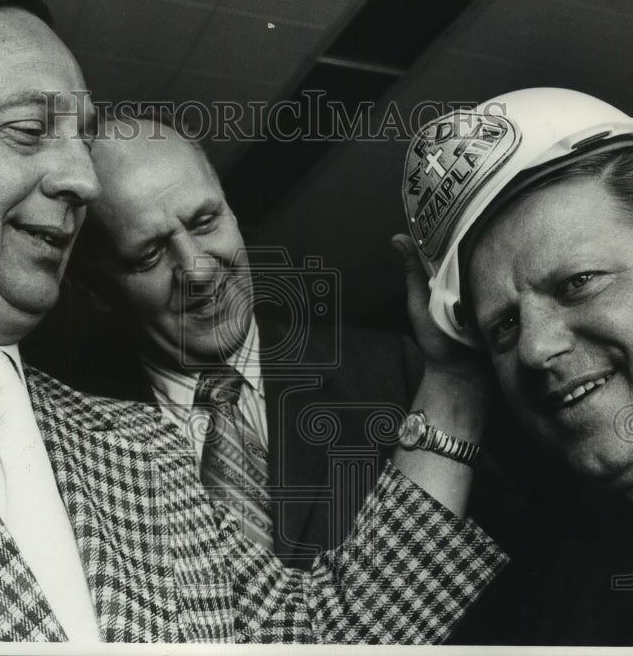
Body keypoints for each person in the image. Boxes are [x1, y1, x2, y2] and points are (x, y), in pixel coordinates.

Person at [0, 0, 506, 643]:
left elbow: (320, 636)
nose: (83, 182)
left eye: (80, 139)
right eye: (29, 131)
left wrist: (452, 379)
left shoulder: (137, 447)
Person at [394, 87, 633, 646]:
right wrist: (451, 379)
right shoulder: (548, 577)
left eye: (577, 284)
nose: (534, 350)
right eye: (502, 327)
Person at [46, 113, 426, 568]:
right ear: (94, 290)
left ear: (232, 209)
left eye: (206, 222)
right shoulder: (64, 444)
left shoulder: (393, 370)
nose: (199, 271)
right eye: (148, 254)